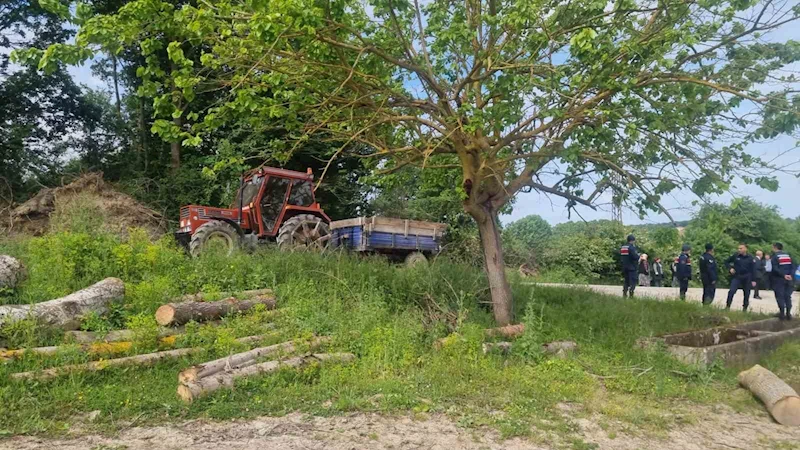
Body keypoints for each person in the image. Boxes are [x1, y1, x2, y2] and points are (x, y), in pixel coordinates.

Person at [725, 243, 756, 311]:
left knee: (746, 293)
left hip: (747, 277)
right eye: (738, 248)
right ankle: (727, 306)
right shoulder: (736, 256)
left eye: (741, 248)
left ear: (745, 249)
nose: (739, 250)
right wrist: (730, 268)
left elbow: (753, 269)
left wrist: (753, 280)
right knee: (731, 291)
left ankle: (745, 308)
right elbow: (726, 262)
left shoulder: (750, 257)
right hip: (737, 276)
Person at [771, 242, 794, 321]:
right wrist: (790, 275)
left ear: (775, 247)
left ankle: (782, 314)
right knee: (787, 296)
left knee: (780, 296)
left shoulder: (775, 256)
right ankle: (788, 313)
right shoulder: (788, 255)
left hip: (779, 279)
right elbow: (792, 266)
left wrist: (783, 275)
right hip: (789, 279)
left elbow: (775, 268)